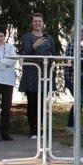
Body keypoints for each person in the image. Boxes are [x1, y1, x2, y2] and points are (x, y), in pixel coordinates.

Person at [19, 12, 56, 140]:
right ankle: (33, 129)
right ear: (32, 23)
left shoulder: (49, 38)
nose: (37, 23)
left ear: (43, 23)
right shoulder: (27, 37)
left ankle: (40, 127)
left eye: (39, 21)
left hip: (45, 73)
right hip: (31, 73)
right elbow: (26, 52)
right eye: (35, 21)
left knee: (42, 102)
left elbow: (53, 54)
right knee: (33, 102)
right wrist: (36, 45)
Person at [64, 26, 83, 135]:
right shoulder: (72, 45)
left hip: (79, 77)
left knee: (79, 101)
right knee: (78, 101)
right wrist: (80, 73)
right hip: (73, 78)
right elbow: (70, 62)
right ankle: (71, 126)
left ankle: (75, 125)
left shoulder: (80, 46)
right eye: (82, 31)